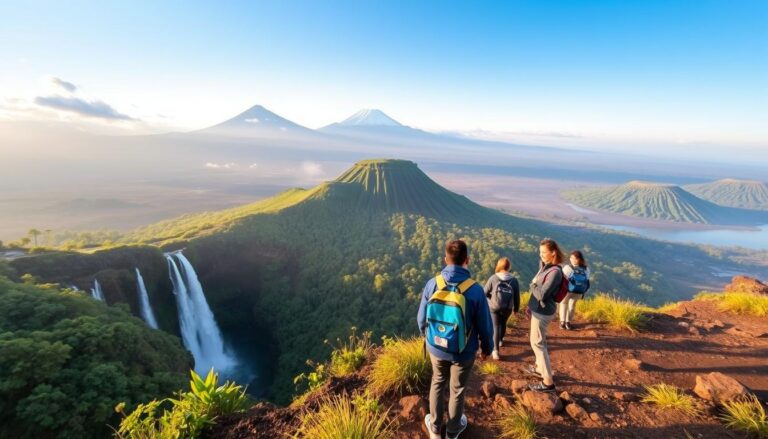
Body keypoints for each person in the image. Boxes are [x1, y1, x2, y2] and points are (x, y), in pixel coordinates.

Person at [418, 239, 493, 439]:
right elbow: (485, 326)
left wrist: (429, 338)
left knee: (437, 382)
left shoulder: (433, 283)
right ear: (467, 260)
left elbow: (421, 319)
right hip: (464, 351)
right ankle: (452, 431)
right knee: (457, 389)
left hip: (435, 346)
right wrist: (487, 348)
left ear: (446, 259)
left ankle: (434, 428)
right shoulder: (475, 290)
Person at [525, 238, 564, 393]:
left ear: (553, 253)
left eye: (543, 252)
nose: (540, 255)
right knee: (540, 342)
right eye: (540, 252)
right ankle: (540, 369)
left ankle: (548, 383)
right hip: (539, 310)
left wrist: (533, 284)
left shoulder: (554, 272)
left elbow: (541, 294)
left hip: (543, 312)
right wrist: (530, 305)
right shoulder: (546, 267)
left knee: (537, 344)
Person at [483, 257, 520, 360]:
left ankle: (495, 351)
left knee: (495, 326)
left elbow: (484, 293)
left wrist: (489, 300)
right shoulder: (514, 280)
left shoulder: (493, 278)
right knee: (503, 323)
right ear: (508, 267)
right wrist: (516, 309)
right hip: (507, 307)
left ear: (499, 266)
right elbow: (517, 296)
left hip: (494, 307)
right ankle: (500, 340)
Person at [559, 250, 591, 330]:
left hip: (568, 290)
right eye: (571, 258)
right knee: (572, 306)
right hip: (579, 291)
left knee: (563, 304)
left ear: (579, 259)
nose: (571, 259)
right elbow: (587, 280)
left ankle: (562, 322)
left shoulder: (568, 268)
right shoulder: (586, 269)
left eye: (574, 258)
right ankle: (568, 322)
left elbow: (562, 279)